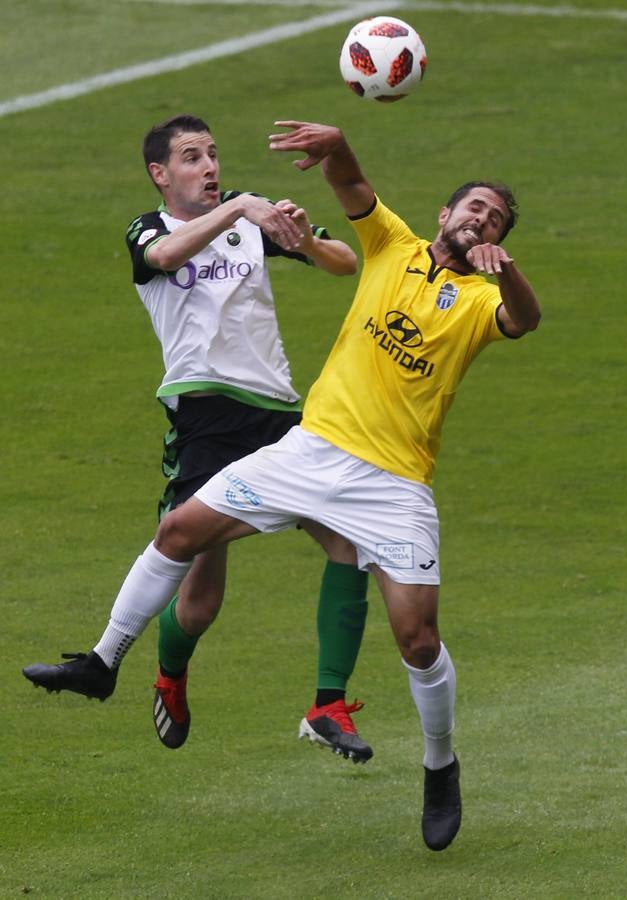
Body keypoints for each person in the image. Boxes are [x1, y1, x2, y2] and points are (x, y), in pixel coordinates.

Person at [24, 120, 541, 851]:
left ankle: (439, 764)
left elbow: (527, 318)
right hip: (307, 449)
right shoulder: (391, 244)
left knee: (418, 639)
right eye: (474, 208)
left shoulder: (483, 301)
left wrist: (505, 268)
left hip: (393, 482)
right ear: (443, 215)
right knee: (180, 535)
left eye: (493, 217)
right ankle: (105, 662)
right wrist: (334, 145)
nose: (480, 220)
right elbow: (352, 189)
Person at [23, 114, 373, 764]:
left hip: (278, 418)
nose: (209, 166)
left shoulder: (249, 222)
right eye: (191, 157)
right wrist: (242, 207)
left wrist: (302, 239)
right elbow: (162, 258)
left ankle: (327, 703)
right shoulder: (149, 229)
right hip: (206, 420)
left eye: (212, 154)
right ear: (161, 174)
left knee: (348, 540)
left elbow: (345, 260)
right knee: (200, 592)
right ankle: (160, 673)